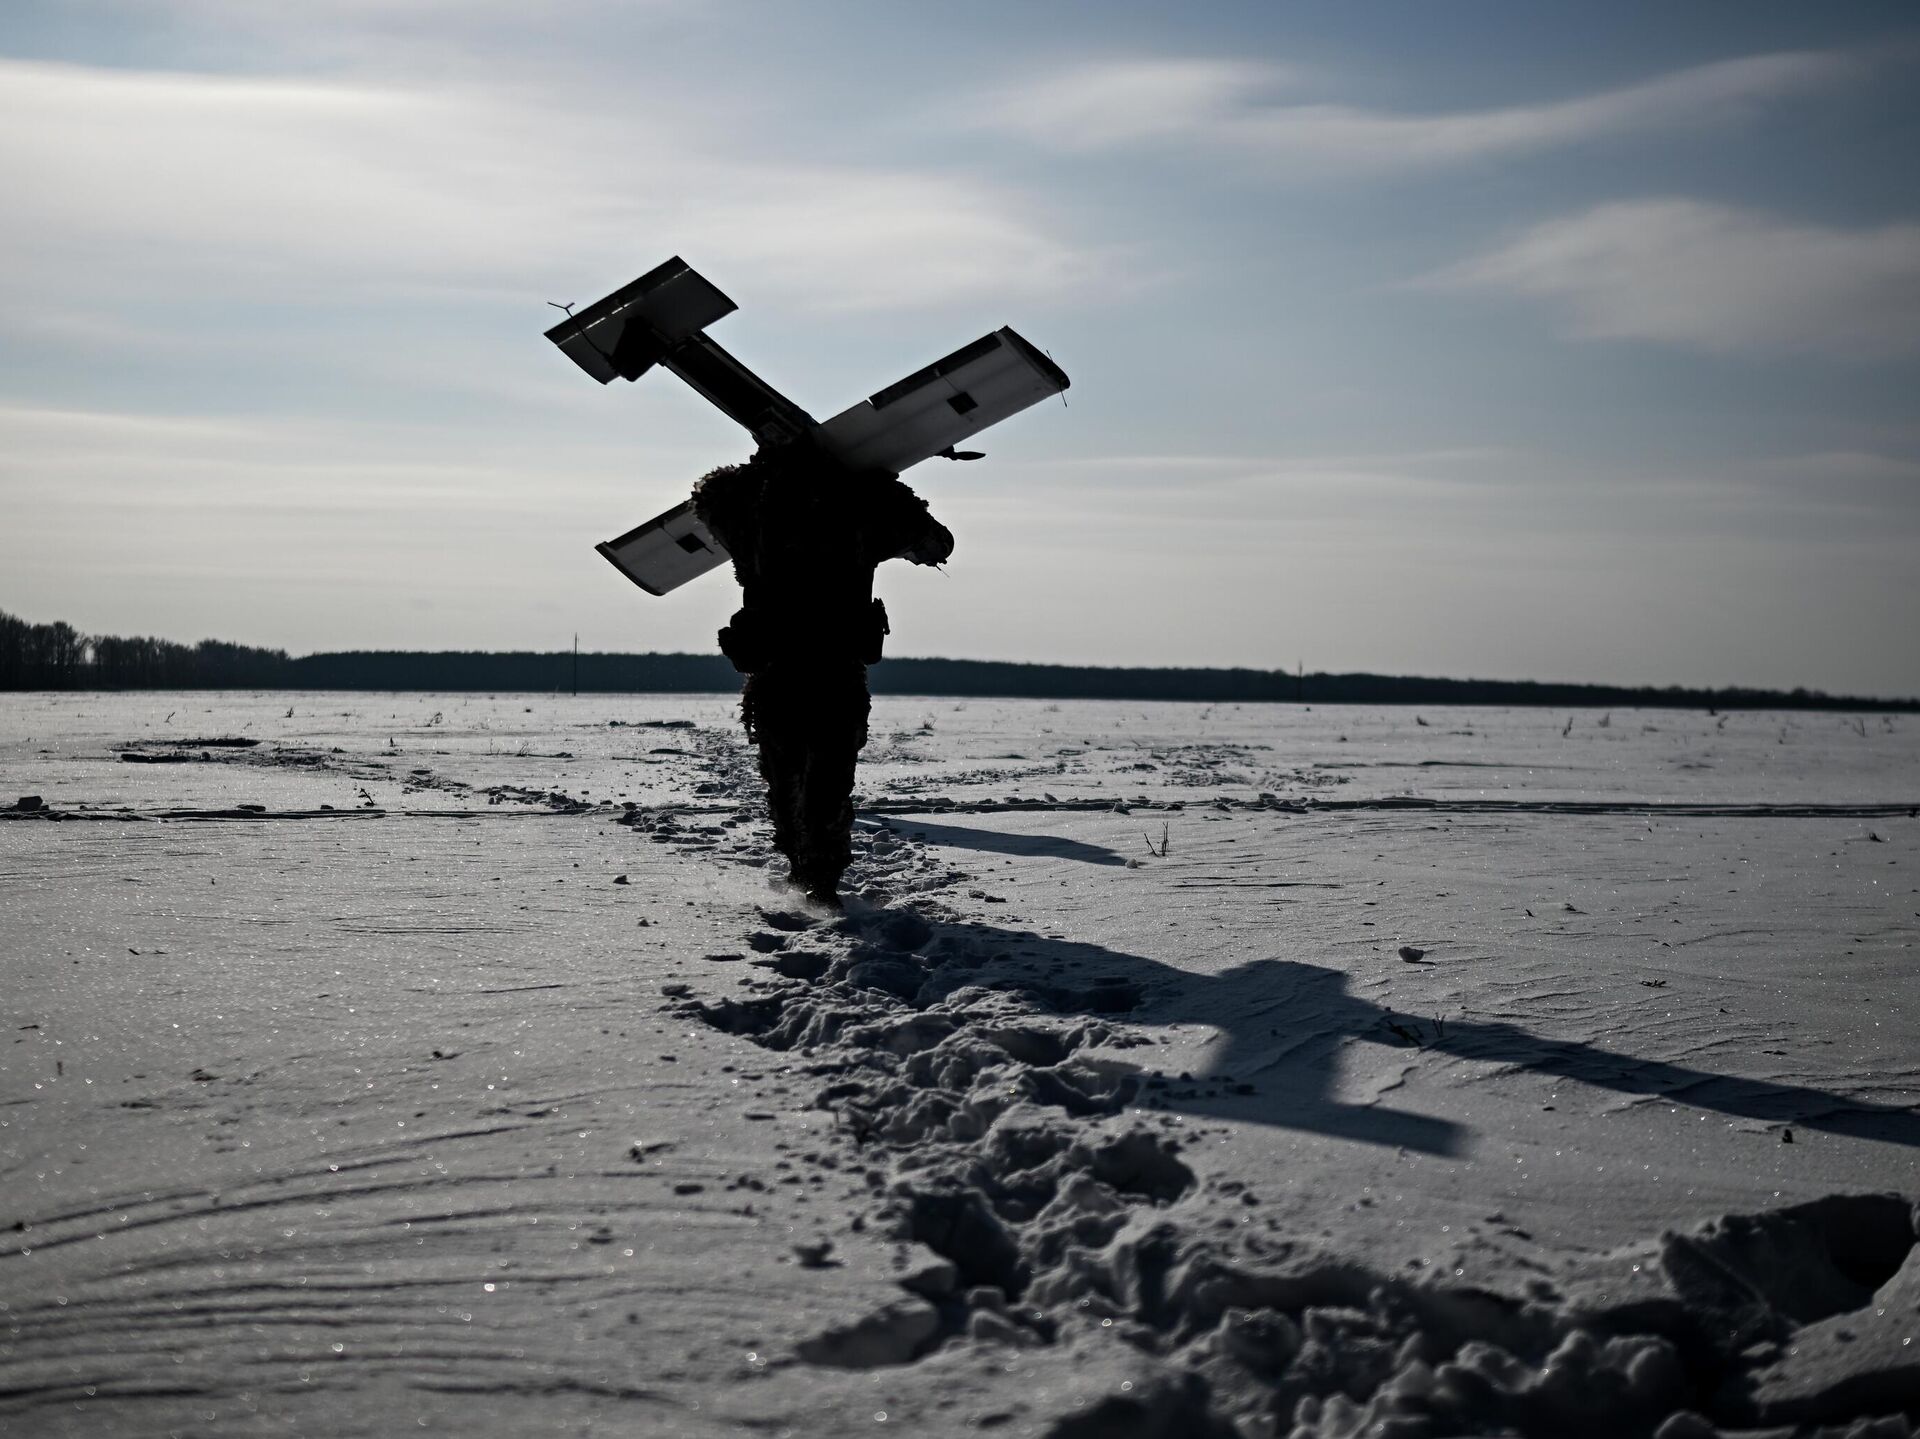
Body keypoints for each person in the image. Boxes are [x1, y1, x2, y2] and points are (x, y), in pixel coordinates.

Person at [693, 443, 953, 907]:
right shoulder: (858, 507)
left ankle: (811, 877)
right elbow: (935, 543)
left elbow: (710, 499)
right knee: (818, 786)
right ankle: (816, 879)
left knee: (796, 785)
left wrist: (753, 475)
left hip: (791, 673)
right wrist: (884, 487)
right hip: (822, 674)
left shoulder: (748, 505)